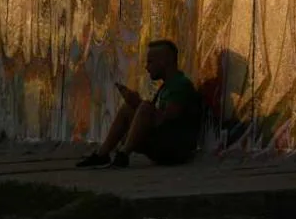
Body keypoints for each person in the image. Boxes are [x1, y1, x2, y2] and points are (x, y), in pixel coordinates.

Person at [77, 39, 203, 168]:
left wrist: (139, 104)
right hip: (164, 143)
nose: (147, 67)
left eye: (150, 62)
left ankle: (123, 155)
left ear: (165, 61)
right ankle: (102, 154)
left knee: (145, 107)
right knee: (128, 109)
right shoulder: (166, 87)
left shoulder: (180, 84)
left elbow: (168, 119)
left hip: (175, 149)